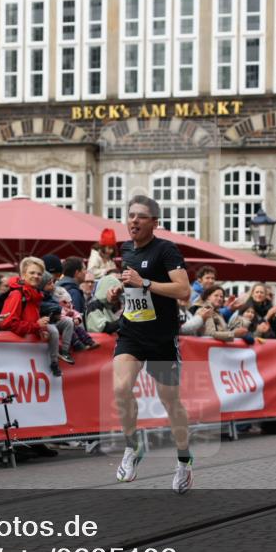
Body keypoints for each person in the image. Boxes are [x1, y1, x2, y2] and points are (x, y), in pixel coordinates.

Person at [109, 195, 194, 494]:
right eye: (131, 215)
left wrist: (143, 282)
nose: (134, 220)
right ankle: (132, 447)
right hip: (132, 333)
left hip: (161, 339)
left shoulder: (166, 250)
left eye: (141, 216)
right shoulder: (126, 249)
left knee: (170, 402)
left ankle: (184, 460)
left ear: (154, 222)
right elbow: (133, 286)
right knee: (121, 388)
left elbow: (183, 291)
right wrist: (120, 291)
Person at [0, 257, 66, 377]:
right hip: (15, 358)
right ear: (23, 274)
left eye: (39, 274)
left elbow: (30, 321)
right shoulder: (17, 294)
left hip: (26, 360)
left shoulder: (34, 295)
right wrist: (36, 326)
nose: (36, 276)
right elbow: (7, 323)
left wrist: (40, 331)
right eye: (32, 273)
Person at [86, 270, 124, 334]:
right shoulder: (94, 305)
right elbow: (103, 328)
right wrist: (123, 320)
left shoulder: (110, 305)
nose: (116, 296)